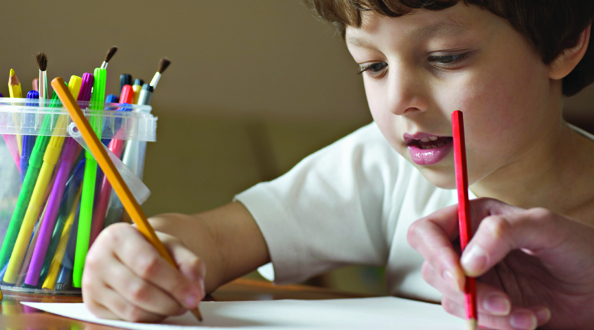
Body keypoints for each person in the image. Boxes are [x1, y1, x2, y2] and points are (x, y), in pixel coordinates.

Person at [83, 1, 594, 329]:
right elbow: (215, 240)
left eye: (445, 57)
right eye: (373, 66)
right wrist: (145, 257)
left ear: (565, 44)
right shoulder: (381, 163)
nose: (399, 100)